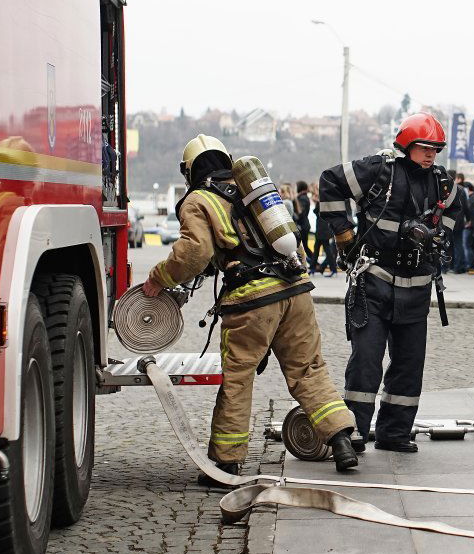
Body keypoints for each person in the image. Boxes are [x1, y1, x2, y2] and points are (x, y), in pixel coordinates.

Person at [144, 134, 357, 482]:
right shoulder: (255, 190)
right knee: (309, 371)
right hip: (296, 291)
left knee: (237, 380)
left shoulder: (198, 200)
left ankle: (226, 463)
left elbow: (194, 254)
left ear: (189, 170)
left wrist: (158, 278)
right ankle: (342, 439)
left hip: (251, 302)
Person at [318, 113, 467, 453]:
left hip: (417, 289)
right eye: (424, 147)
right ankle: (353, 433)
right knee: (366, 364)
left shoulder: (443, 183)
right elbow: (330, 180)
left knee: (408, 366)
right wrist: (344, 233)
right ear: (407, 145)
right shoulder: (380, 171)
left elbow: (455, 211)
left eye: (435, 149)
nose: (430, 155)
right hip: (374, 282)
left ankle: (394, 433)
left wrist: (435, 236)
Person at [309, 184, 338, 278]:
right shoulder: (326, 198)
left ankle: (332, 269)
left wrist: (316, 202)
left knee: (325, 250)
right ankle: (314, 269)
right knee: (319, 249)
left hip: (322, 229)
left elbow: (317, 212)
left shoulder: (322, 199)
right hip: (324, 228)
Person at [294, 181, 313, 262]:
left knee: (303, 246)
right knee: (303, 246)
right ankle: (314, 262)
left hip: (303, 225)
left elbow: (301, 213)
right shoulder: (303, 197)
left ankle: (313, 262)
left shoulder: (302, 198)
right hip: (304, 224)